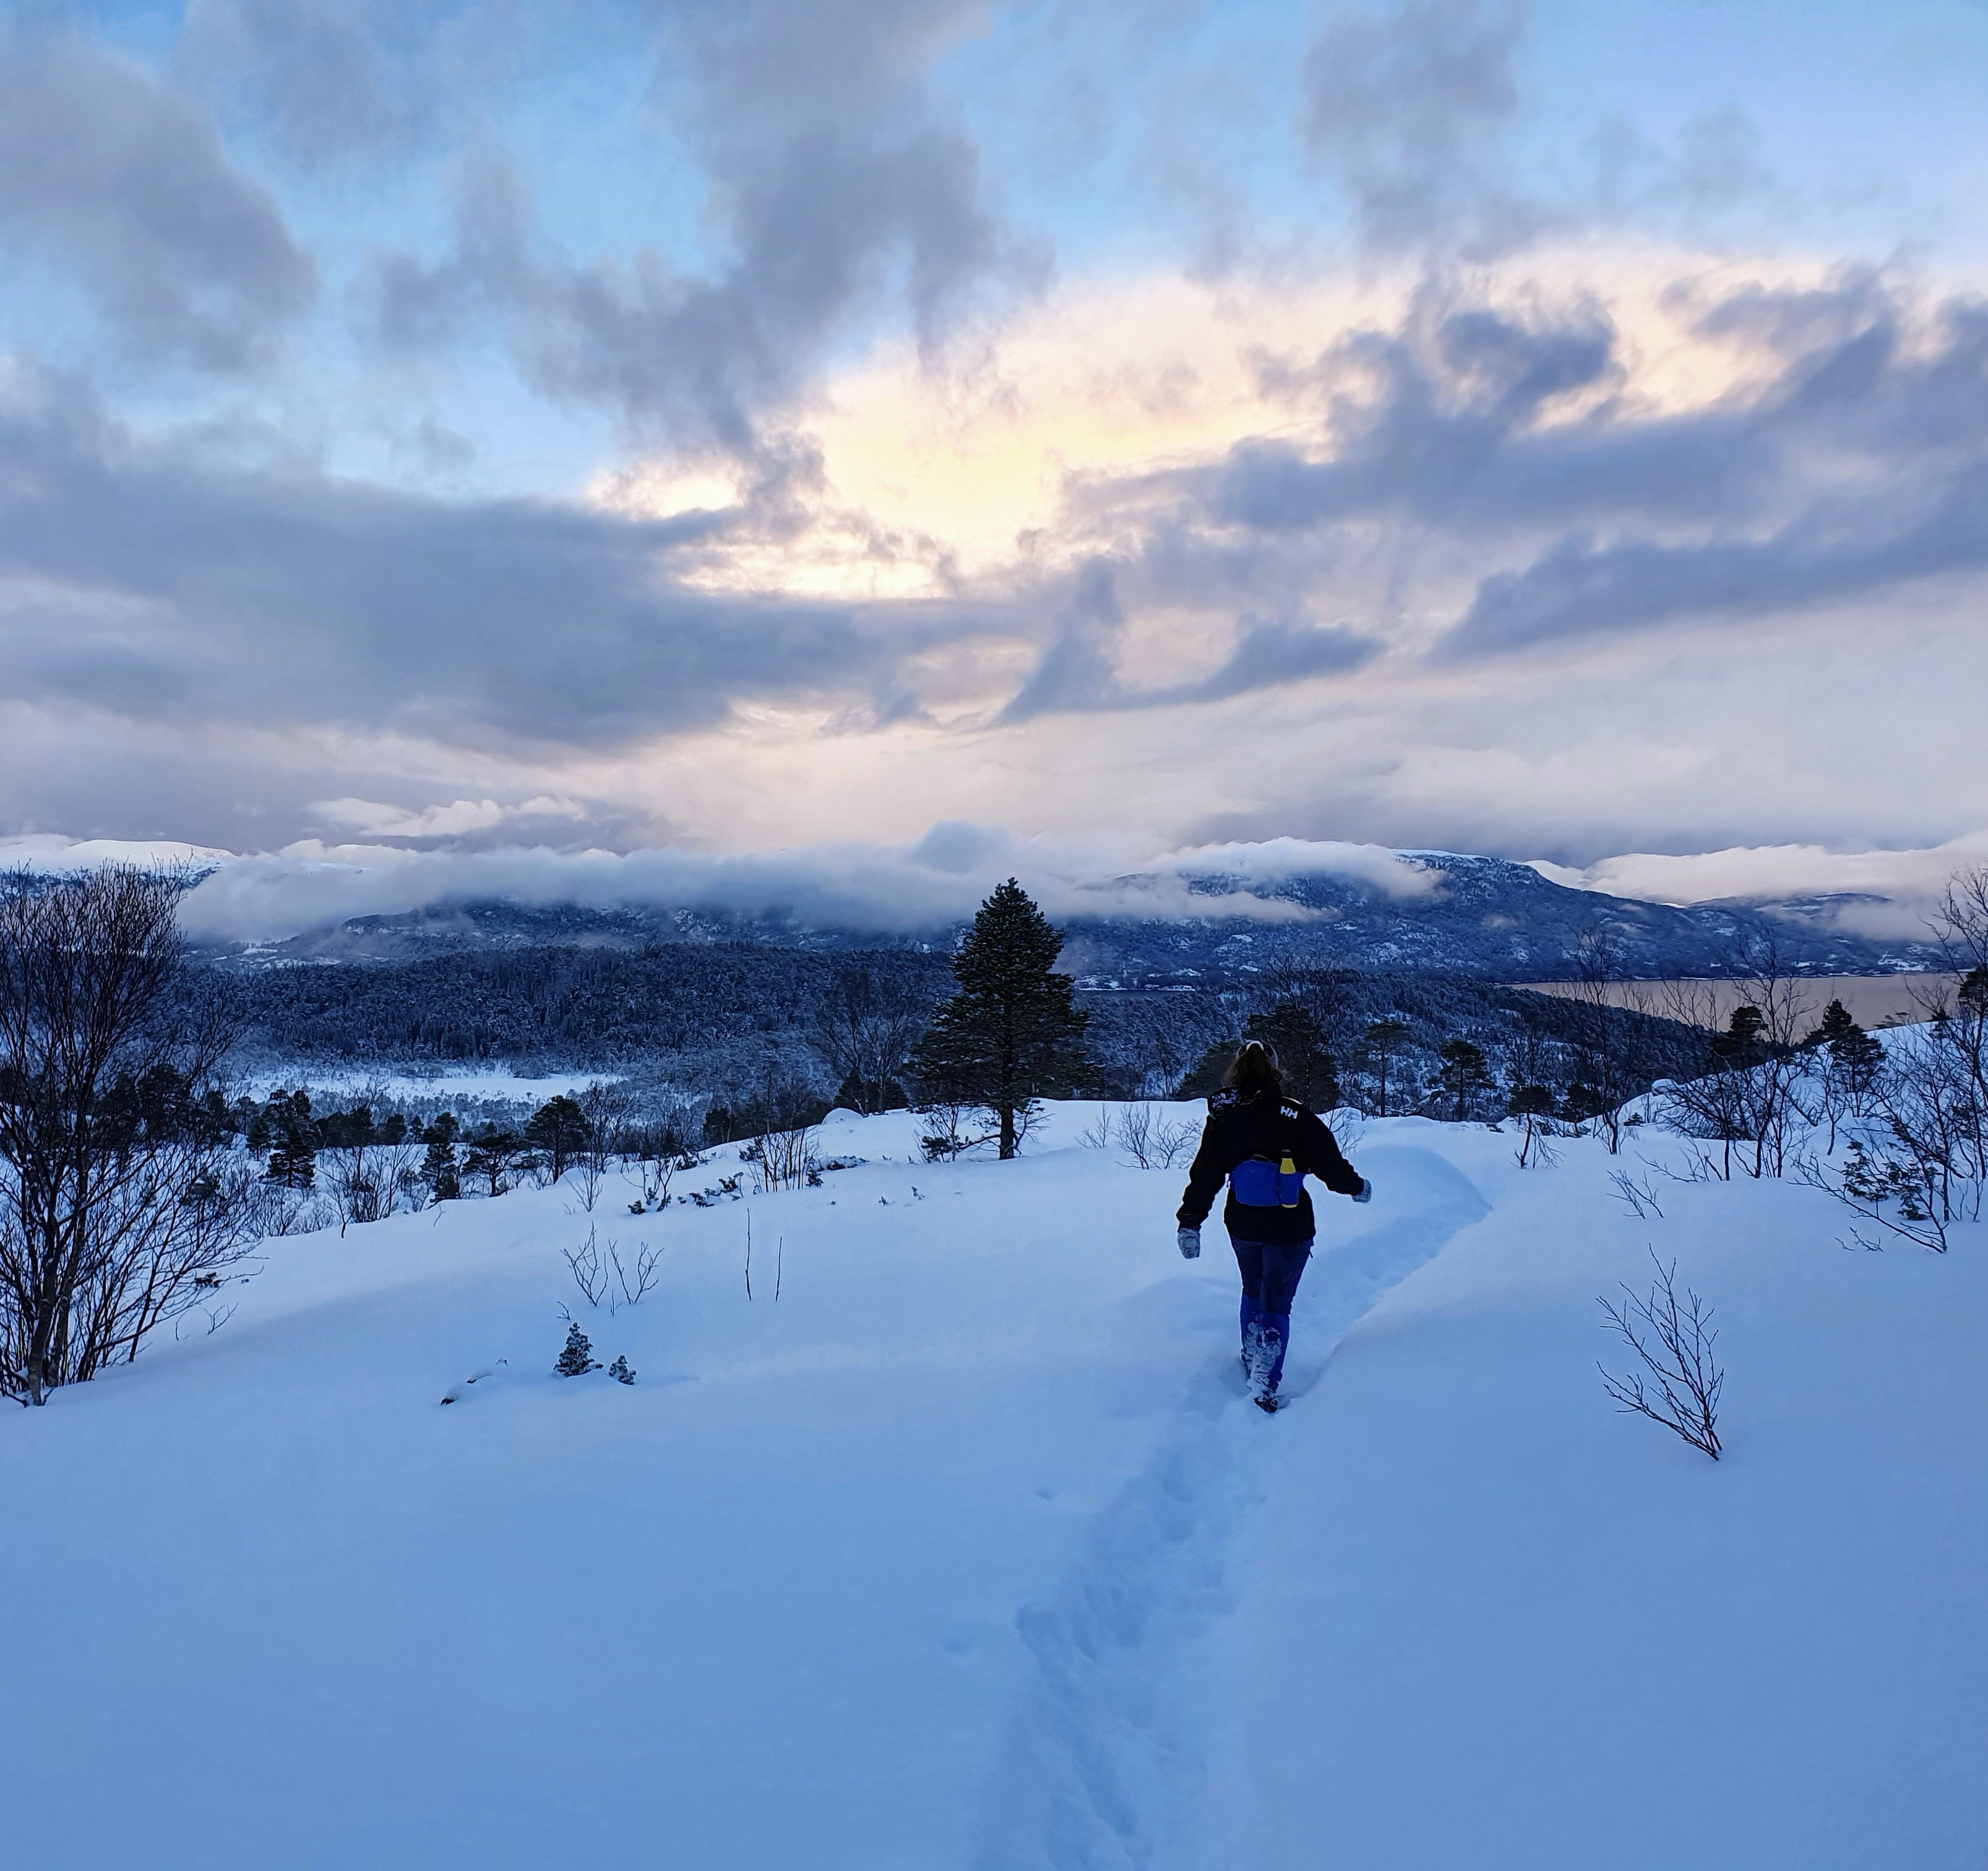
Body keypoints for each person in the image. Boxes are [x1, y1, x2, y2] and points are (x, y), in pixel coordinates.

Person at [1176, 1038, 1371, 1411]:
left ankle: (1253, 1357)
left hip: (1242, 1223)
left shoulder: (1223, 1116)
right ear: (1276, 1070)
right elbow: (1331, 1166)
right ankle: (1264, 1383)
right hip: (1290, 1225)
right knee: (1276, 1303)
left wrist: (1190, 1222)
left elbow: (1206, 1174)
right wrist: (1358, 1188)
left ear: (1236, 1070)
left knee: (1252, 1289)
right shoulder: (1294, 1116)